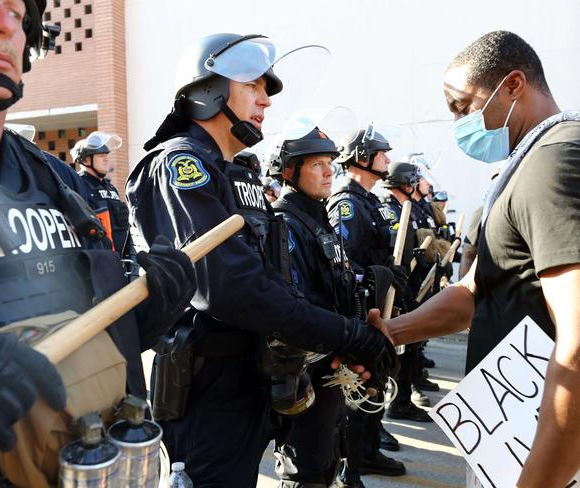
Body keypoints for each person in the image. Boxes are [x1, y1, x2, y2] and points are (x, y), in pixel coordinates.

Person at [0, 1, 196, 486]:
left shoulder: (52, 177)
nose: (4, 25)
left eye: (18, 13)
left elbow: (88, 323)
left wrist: (146, 314)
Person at [126, 33, 395, 488]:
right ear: (208, 89)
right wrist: (348, 334)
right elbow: (235, 289)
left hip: (252, 374)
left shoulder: (236, 174)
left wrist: (317, 349)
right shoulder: (179, 166)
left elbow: (276, 280)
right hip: (205, 387)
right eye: (253, 85)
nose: (266, 100)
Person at [370, 30, 580, 488]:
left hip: (545, 451)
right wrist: (391, 332)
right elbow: (477, 291)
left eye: (464, 107)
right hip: (512, 441)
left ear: (513, 85)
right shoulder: (525, 165)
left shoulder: (554, 159)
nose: (461, 123)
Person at [268, 127, 358, 487]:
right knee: (305, 467)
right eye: (317, 164)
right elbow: (294, 302)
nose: (328, 171)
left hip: (332, 360)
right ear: (290, 172)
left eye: (329, 163)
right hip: (304, 368)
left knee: (328, 457)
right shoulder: (284, 222)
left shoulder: (317, 217)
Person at [326, 128, 407, 486]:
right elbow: (341, 264)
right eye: (381, 153)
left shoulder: (369, 201)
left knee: (377, 382)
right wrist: (377, 276)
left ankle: (369, 451)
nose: (388, 159)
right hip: (359, 312)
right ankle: (350, 469)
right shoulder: (346, 202)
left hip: (377, 309)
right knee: (356, 395)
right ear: (362, 156)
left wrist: (391, 273)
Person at [379, 162, 435, 423]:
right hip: (397, 292)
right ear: (406, 183)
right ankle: (398, 402)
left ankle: (402, 400)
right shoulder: (391, 212)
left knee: (411, 349)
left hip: (411, 288)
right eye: (417, 179)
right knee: (397, 353)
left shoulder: (408, 210)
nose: (421, 183)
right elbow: (391, 253)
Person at [72, 131, 130, 253]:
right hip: (98, 258)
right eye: (100, 155)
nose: (106, 159)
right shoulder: (78, 184)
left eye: (106, 155)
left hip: (122, 258)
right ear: (86, 160)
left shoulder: (110, 187)